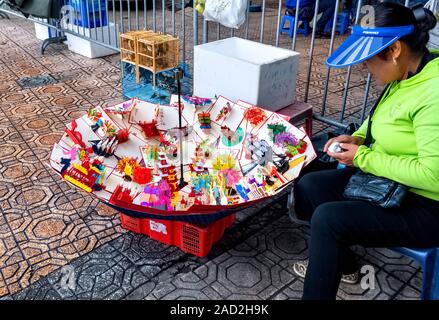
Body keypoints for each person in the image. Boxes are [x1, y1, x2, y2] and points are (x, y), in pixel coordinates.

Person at [291, 2, 439, 300]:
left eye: (368, 59)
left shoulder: (433, 91)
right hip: (393, 181)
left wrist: (362, 157)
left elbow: (433, 176)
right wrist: (358, 138)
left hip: (427, 205)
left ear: (395, 49)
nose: (364, 68)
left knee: (328, 220)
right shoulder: (408, 71)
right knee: (309, 185)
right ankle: (340, 265)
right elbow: (379, 117)